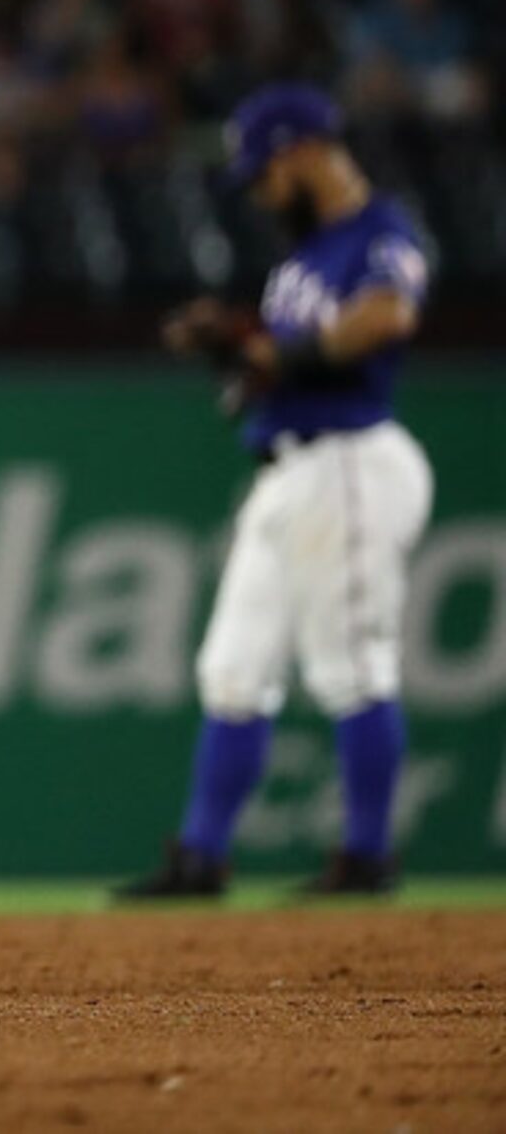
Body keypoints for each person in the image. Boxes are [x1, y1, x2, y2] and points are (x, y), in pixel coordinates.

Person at [119, 84, 432, 899]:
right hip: (287, 472)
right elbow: (273, 364)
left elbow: (387, 316)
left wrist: (273, 357)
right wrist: (232, 346)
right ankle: (201, 857)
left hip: (350, 463)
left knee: (353, 668)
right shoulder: (299, 262)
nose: (259, 193)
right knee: (232, 670)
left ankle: (368, 857)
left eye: (263, 174)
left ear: (300, 152)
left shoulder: (379, 232)